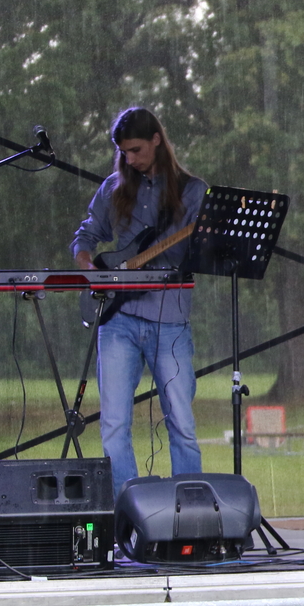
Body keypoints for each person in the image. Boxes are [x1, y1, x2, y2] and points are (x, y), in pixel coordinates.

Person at [73, 107, 208, 495]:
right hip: (119, 319)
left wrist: (204, 244)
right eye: (123, 152)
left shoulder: (192, 191)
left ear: (156, 140)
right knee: (114, 423)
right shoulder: (113, 187)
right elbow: (85, 237)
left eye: (136, 150)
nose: (129, 159)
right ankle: (128, 507)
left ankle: (188, 509)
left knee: (181, 422)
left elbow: (203, 253)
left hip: (171, 319)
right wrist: (91, 270)